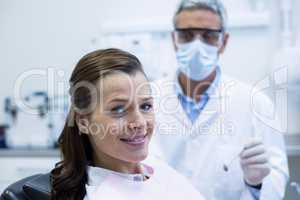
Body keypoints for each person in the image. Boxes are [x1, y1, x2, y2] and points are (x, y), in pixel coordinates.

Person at [150, 0, 289, 199]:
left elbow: (275, 179)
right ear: (174, 39)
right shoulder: (146, 99)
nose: (197, 45)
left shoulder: (255, 103)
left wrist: (257, 182)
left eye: (208, 36)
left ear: (223, 42)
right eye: (187, 36)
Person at [50, 48, 205, 200]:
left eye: (145, 106)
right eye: (118, 109)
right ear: (83, 122)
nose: (140, 122)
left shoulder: (153, 168)